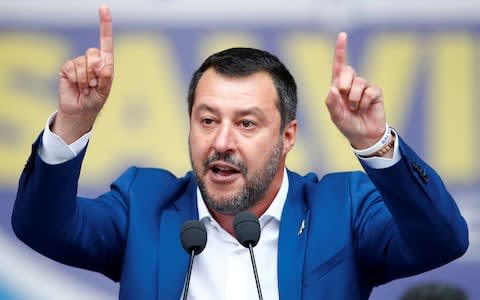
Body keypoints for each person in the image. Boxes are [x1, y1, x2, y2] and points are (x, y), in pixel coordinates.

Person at [11, 5, 468, 300]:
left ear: (288, 136)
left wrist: (374, 142)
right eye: (207, 121)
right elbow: (41, 227)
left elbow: (442, 240)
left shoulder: (340, 208)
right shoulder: (144, 204)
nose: (222, 141)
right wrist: (74, 121)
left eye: (246, 123)